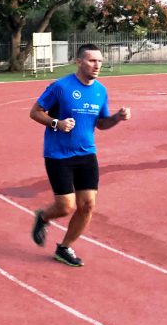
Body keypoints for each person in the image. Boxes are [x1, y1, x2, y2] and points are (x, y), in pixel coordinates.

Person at [28, 44, 130, 267]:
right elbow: (34, 112)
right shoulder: (60, 87)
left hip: (86, 154)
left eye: (100, 61)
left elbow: (101, 124)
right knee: (66, 207)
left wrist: (117, 118)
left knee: (87, 206)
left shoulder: (100, 91)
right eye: (92, 60)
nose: (97, 65)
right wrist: (57, 123)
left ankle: (64, 248)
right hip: (58, 155)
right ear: (79, 62)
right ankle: (43, 217)